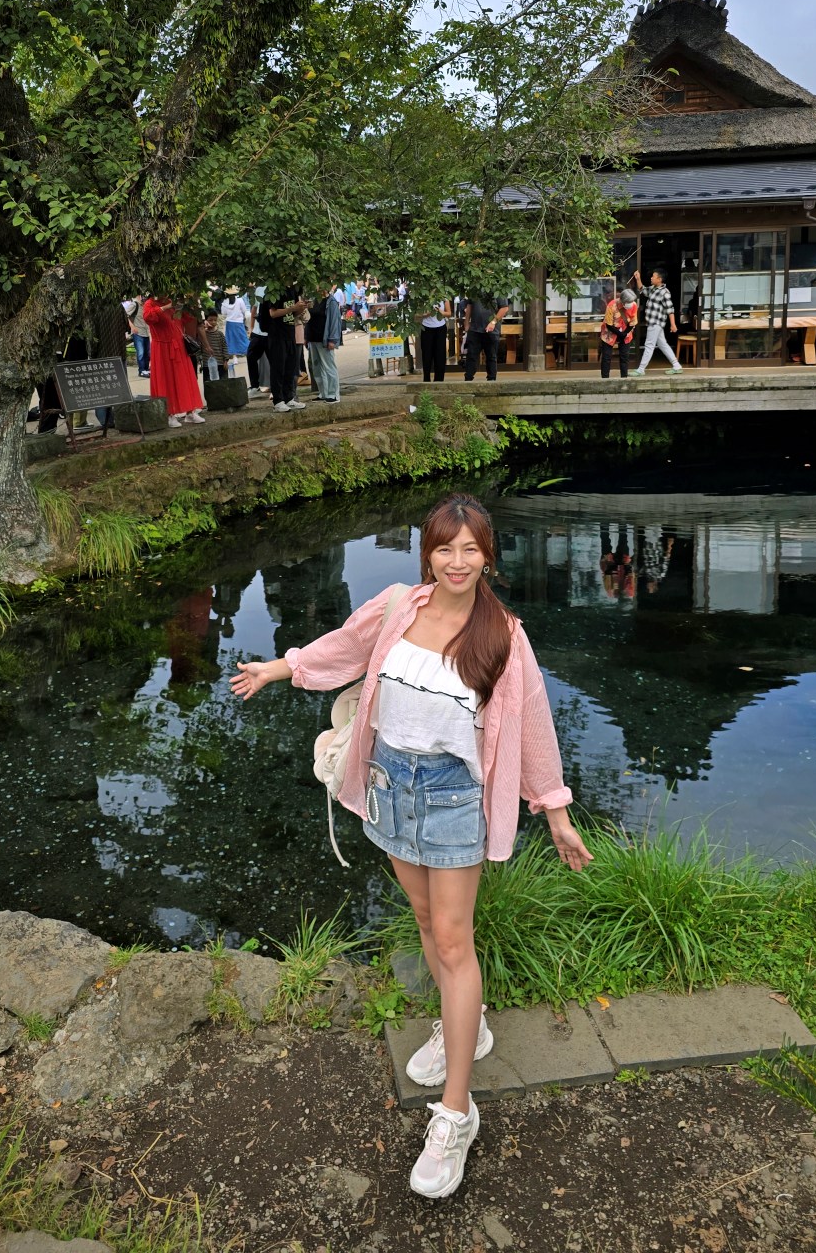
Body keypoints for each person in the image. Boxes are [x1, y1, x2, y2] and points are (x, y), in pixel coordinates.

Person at [230, 493, 591, 1199]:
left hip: (456, 800)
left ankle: (457, 1112)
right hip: (389, 787)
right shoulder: (400, 606)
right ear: (426, 551)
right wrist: (281, 668)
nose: (457, 562)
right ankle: (467, 1027)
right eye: (444, 547)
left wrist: (555, 813)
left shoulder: (504, 638)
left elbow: (534, 727)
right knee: (426, 926)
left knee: (454, 943)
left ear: (489, 555)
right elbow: (345, 646)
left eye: (471, 549)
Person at [142, 294, 206, 427]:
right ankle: (169, 414)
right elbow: (148, 317)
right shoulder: (150, 303)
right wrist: (166, 307)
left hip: (179, 346)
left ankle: (190, 412)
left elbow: (188, 319)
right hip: (162, 348)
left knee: (186, 379)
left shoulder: (175, 301)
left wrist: (190, 305)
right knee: (166, 381)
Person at [266, 288, 310, 412]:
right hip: (277, 335)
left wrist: (300, 309)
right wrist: (292, 308)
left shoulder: (293, 291)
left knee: (290, 368)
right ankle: (278, 401)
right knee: (278, 368)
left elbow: (293, 313)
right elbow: (273, 313)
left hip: (290, 333)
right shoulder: (276, 290)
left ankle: (289, 398)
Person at [633, 270, 682, 377]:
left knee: (649, 345)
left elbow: (670, 309)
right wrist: (638, 279)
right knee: (662, 344)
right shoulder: (653, 289)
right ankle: (676, 365)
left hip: (656, 323)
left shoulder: (665, 292)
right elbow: (642, 290)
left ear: (659, 279)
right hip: (653, 322)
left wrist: (673, 325)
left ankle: (641, 369)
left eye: (653, 276)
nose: (651, 278)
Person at [306, 282, 343, 402]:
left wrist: (332, 339)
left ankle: (333, 394)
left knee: (328, 366)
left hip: (325, 339)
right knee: (317, 368)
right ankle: (323, 393)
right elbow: (308, 319)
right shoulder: (313, 300)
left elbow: (334, 321)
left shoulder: (331, 302)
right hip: (313, 338)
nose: (319, 288)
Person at [463, 295, 508, 382]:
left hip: (491, 330)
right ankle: (468, 379)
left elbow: (504, 308)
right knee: (471, 355)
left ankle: (491, 380)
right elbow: (469, 306)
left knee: (491, 356)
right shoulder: (475, 289)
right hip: (474, 329)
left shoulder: (497, 289)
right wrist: (466, 322)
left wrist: (493, 322)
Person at [598, 284, 637, 379]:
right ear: (623, 300)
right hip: (610, 332)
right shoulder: (612, 305)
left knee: (624, 357)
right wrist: (620, 334)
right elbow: (608, 324)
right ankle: (605, 379)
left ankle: (624, 378)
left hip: (626, 332)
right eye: (628, 301)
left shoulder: (633, 305)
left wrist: (624, 334)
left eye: (632, 301)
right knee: (606, 358)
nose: (631, 303)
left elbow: (633, 322)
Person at [220, 286, 250, 372]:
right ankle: (248, 353)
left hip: (230, 323)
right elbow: (244, 310)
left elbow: (223, 313)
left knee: (231, 340)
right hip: (239, 322)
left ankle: (234, 358)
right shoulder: (240, 300)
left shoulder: (225, 302)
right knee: (243, 339)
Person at [420, 297, 450, 382]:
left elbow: (449, 313)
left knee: (440, 355)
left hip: (440, 328)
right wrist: (428, 314)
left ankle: (439, 380)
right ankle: (426, 380)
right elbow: (417, 314)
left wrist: (440, 311)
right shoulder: (423, 295)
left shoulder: (444, 296)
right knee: (427, 355)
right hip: (426, 327)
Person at [125, 296, 150, 377]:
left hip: (147, 332)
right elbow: (125, 315)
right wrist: (132, 326)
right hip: (138, 332)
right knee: (141, 353)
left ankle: (146, 369)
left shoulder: (145, 305)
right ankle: (142, 370)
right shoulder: (134, 304)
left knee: (147, 352)